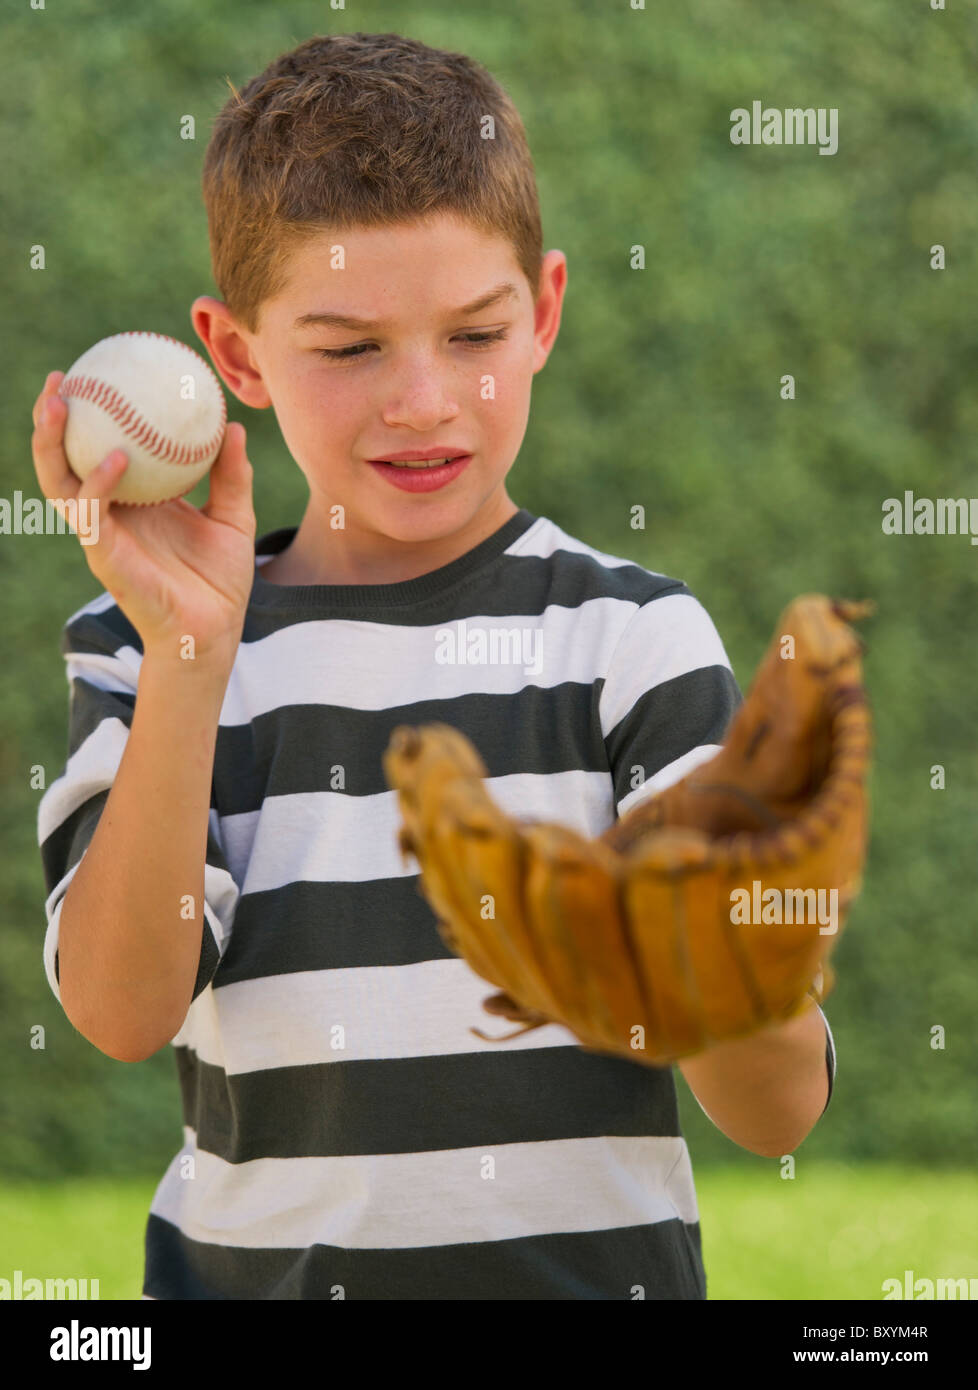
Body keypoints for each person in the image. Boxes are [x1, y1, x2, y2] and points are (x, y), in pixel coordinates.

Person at [33, 30, 835, 1300]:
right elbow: (122, 1010)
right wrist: (192, 654)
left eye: (474, 334)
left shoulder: (633, 644)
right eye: (350, 349)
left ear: (546, 313)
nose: (424, 400)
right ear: (235, 356)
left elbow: (777, 1109)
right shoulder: (153, 645)